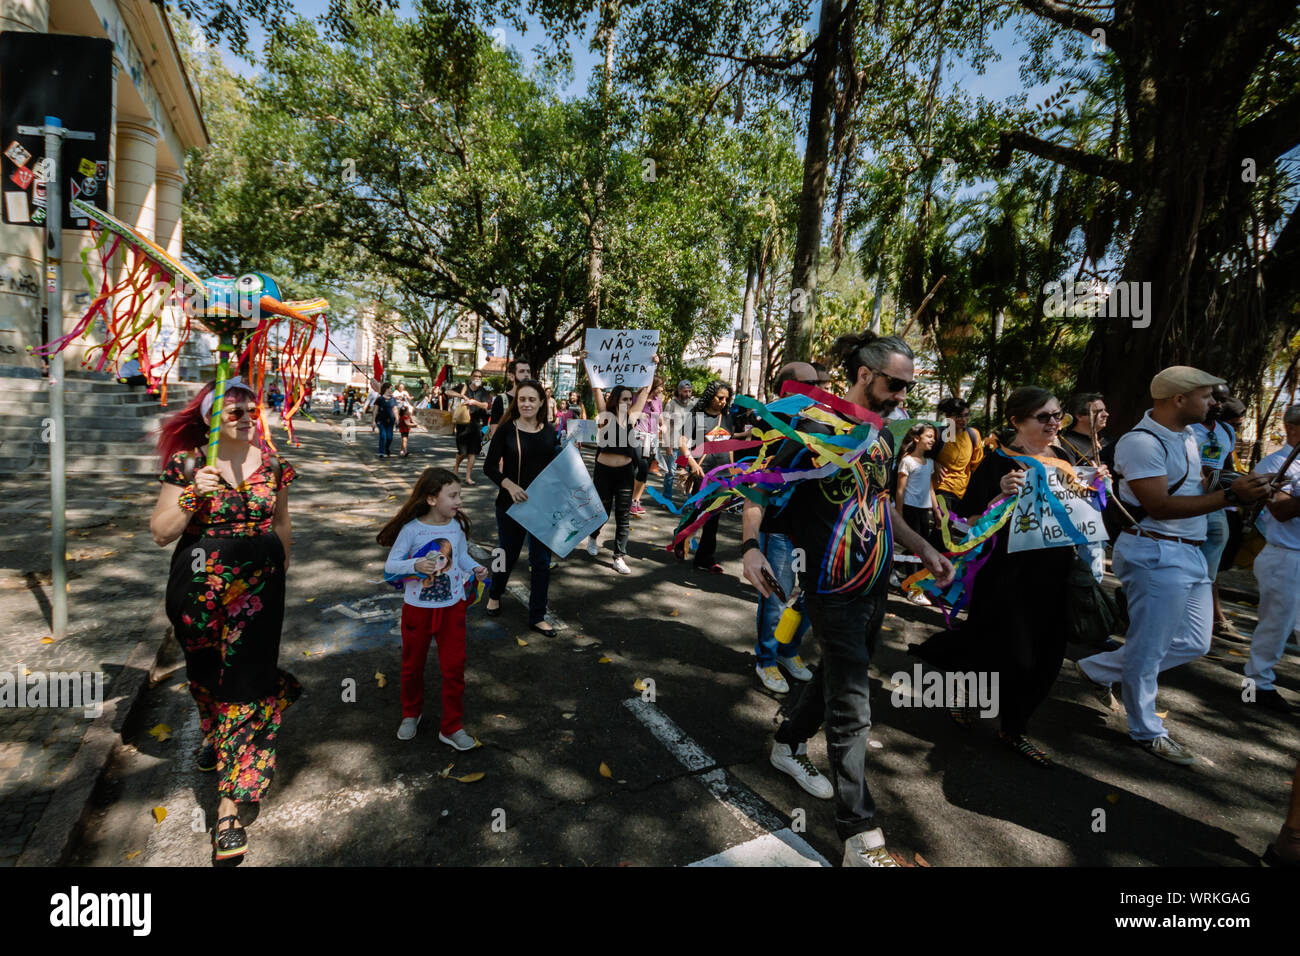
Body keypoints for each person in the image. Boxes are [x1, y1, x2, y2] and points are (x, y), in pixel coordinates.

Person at [742, 332, 954, 866]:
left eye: (909, 386)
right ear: (865, 374)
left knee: (839, 675)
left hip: (875, 582)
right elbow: (757, 484)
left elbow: (881, 507)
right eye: (896, 384)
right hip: (829, 587)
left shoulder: (882, 436)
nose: (904, 396)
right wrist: (750, 548)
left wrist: (924, 547)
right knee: (853, 701)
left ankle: (787, 744)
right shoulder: (812, 424)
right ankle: (860, 836)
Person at [1074, 367, 1271, 765]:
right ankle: (1146, 729)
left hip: (1188, 550)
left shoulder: (1186, 436)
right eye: (1207, 396)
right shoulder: (1141, 443)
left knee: (1196, 641)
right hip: (1156, 552)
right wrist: (1231, 496)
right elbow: (1159, 505)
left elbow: (1195, 487)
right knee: (1148, 650)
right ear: (1179, 399)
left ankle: (1097, 668)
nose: (1214, 403)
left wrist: (1237, 486)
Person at [150, 378, 298, 862]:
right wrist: (193, 493)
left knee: (245, 686)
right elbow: (160, 532)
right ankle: (212, 733)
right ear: (211, 418)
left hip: (257, 592)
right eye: (229, 409)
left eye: (248, 407)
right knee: (206, 678)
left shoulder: (272, 463)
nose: (241, 415)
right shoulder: (190, 463)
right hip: (198, 587)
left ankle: (228, 807)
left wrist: (280, 574)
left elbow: (281, 523)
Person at [912, 388, 1100, 767]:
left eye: (1057, 415)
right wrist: (997, 494)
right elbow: (965, 518)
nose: (1053, 423)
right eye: (1043, 417)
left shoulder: (1064, 458)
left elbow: (1083, 510)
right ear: (1017, 421)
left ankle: (1013, 729)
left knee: (1047, 657)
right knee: (1004, 650)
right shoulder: (998, 462)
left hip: (1056, 573)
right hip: (1007, 576)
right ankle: (965, 694)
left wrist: (1097, 486)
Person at [379, 467, 488, 749]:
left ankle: (451, 727)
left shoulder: (457, 527)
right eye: (452, 495)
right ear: (431, 499)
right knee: (412, 666)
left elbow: (461, 555)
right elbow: (391, 566)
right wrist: (413, 565)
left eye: (460, 495)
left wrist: (474, 566)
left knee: (454, 668)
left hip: (453, 610)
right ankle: (410, 713)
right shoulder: (412, 530)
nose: (459, 501)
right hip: (417, 611)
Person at [752, 362, 823, 694]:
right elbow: (761, 480)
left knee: (808, 598)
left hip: (813, 531)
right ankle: (766, 659)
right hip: (778, 529)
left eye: (822, 382)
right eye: (812, 383)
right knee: (776, 597)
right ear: (789, 388)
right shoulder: (770, 422)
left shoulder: (830, 424)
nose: (821, 388)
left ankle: (787, 651)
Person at [481, 380, 560, 636]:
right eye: (522, 399)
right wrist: (509, 486)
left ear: (540, 403)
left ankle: (537, 616)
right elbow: (489, 467)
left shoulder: (549, 432)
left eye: (532, 400)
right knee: (508, 554)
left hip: (542, 508)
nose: (526, 404)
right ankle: (494, 593)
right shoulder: (505, 431)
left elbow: (554, 470)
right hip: (510, 506)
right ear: (517, 402)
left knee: (541, 561)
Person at [1244, 405, 1300, 713]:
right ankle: (1253, 689)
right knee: (1274, 628)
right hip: (1285, 556)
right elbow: (1279, 508)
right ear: (1292, 428)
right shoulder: (1278, 463)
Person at [584, 359, 660, 574]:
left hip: (625, 473)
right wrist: (587, 363)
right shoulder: (605, 416)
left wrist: (652, 365)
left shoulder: (632, 417)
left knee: (623, 516)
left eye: (630, 398)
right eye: (625, 398)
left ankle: (619, 556)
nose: (629, 401)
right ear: (616, 400)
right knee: (602, 512)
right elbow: (596, 387)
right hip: (604, 473)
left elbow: (645, 391)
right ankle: (593, 536)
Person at [1190, 388, 1242, 637]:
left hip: (1216, 502)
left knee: (1216, 541)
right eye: (1215, 399)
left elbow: (1227, 463)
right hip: (1187, 501)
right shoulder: (1187, 429)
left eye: (1223, 400)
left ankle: (1200, 608)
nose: (1219, 404)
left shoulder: (1226, 431)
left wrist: (1235, 483)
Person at [677, 380, 735, 573]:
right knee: (697, 510)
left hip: (723, 473)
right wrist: (691, 463)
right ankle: (681, 536)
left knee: (714, 514)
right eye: (720, 398)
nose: (723, 402)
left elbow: (730, 445)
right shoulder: (697, 416)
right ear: (711, 396)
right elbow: (682, 442)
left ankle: (705, 558)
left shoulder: (727, 417)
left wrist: (733, 472)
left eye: (726, 398)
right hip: (702, 470)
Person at [1053, 392, 1111, 582]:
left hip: (1104, 520)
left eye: (1105, 410)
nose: (1105, 414)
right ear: (1080, 416)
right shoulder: (1065, 444)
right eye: (1098, 411)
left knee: (1094, 578)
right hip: (1077, 519)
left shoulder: (1109, 443)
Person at [895, 422, 938, 607]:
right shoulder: (907, 461)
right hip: (910, 509)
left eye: (934, 437)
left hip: (924, 511)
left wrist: (937, 511)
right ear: (916, 438)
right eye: (929, 436)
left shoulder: (929, 463)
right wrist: (899, 515)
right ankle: (914, 589)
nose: (933, 440)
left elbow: (930, 489)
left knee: (921, 546)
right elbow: (900, 491)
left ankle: (892, 570)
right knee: (915, 550)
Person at [932, 396, 983, 514]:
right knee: (944, 525)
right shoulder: (938, 434)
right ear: (948, 417)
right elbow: (919, 456)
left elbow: (977, 464)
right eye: (959, 416)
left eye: (966, 415)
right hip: (942, 488)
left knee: (953, 529)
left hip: (963, 490)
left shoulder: (973, 435)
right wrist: (933, 463)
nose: (963, 420)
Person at [630, 376, 665, 517]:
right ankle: (628, 498)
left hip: (652, 439)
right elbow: (630, 416)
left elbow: (661, 420)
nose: (662, 389)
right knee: (640, 466)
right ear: (653, 386)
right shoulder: (638, 398)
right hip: (638, 437)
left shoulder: (658, 401)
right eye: (660, 386)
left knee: (644, 471)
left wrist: (662, 425)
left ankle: (636, 501)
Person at [451, 370, 493, 484]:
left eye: (480, 377)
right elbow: (448, 392)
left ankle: (468, 477)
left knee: (473, 451)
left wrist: (474, 402)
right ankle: (456, 467)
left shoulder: (483, 392)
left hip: (476, 423)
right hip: (462, 423)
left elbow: (486, 406)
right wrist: (461, 395)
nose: (477, 378)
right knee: (463, 451)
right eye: (475, 376)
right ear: (471, 377)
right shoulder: (463, 387)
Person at [661, 380, 695, 501]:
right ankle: (667, 499)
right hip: (674, 445)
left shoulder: (692, 405)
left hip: (687, 446)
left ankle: (690, 501)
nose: (688, 394)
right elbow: (665, 425)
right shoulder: (671, 404)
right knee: (670, 473)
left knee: (688, 473)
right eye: (685, 391)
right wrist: (668, 445)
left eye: (689, 391)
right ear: (679, 391)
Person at [489, 358, 532, 439]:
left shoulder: (534, 401)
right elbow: (494, 433)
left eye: (528, 371)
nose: (526, 375)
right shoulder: (501, 400)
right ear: (512, 376)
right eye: (522, 371)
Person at [373, 382, 397, 458]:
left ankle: (387, 447)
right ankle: (381, 452)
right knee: (383, 435)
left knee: (389, 437)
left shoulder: (393, 399)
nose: (392, 390)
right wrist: (373, 421)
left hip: (390, 421)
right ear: (386, 389)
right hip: (380, 420)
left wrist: (397, 418)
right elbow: (375, 410)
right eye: (391, 388)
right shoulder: (379, 399)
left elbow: (395, 409)